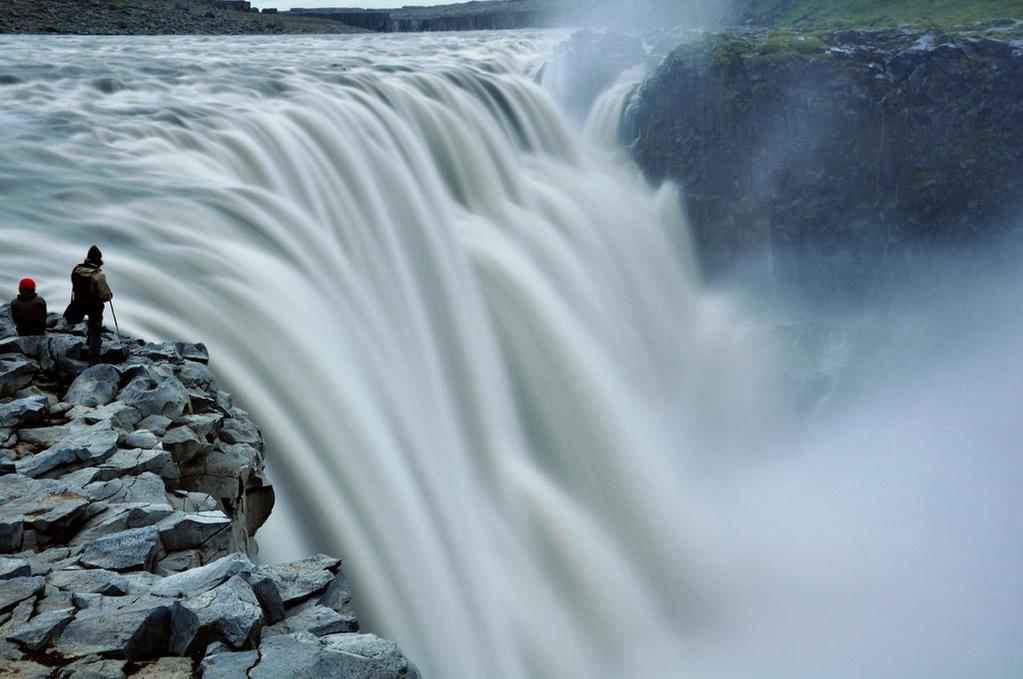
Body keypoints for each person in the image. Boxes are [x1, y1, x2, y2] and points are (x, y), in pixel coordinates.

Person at [70, 245, 113, 363]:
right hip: (94, 306)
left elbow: (73, 285)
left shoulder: (76, 270)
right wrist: (110, 295)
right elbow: (105, 296)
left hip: (78, 304)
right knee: (95, 329)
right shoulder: (98, 276)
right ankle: (94, 357)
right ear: (99, 261)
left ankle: (86, 345)